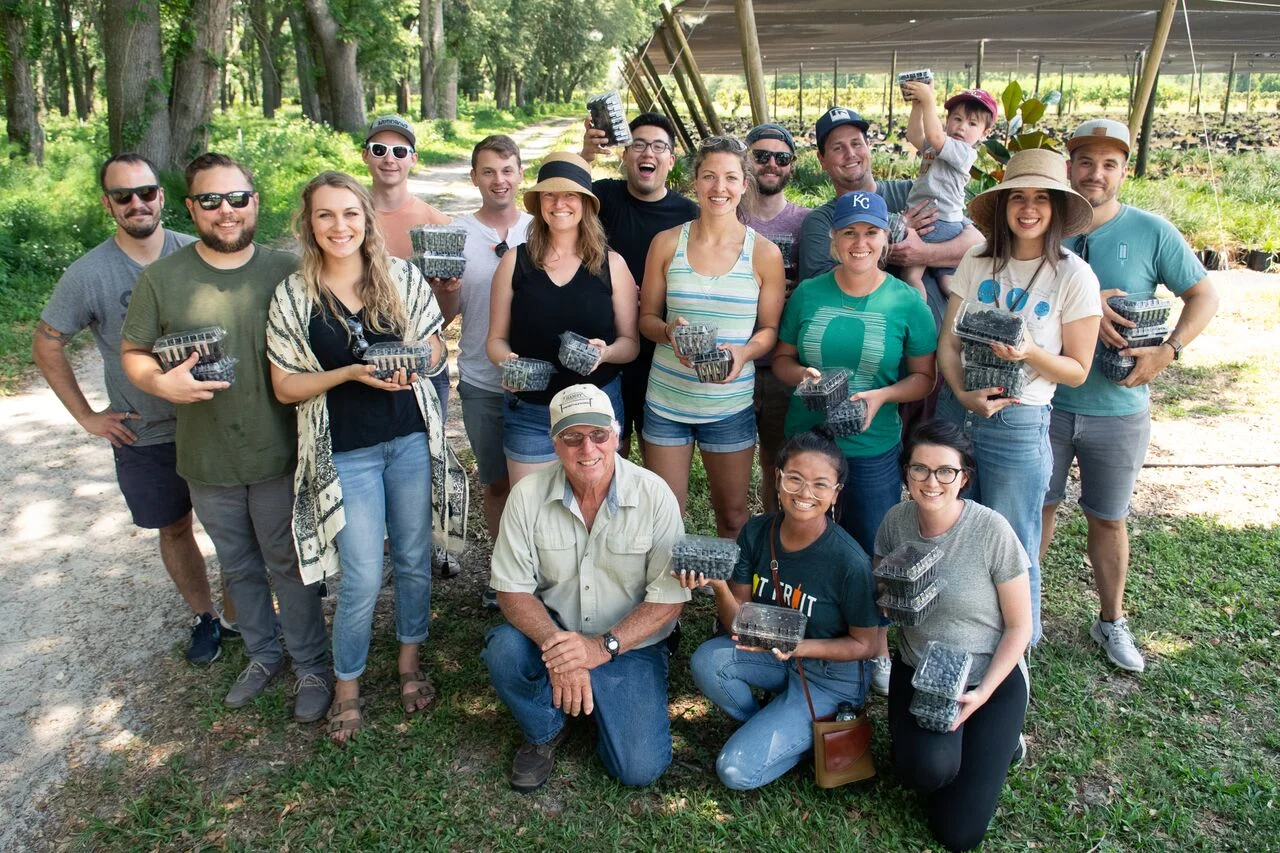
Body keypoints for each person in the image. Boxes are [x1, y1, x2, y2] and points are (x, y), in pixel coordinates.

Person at [121, 153, 333, 722]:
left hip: (281, 453)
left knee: (287, 563)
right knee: (238, 567)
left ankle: (312, 665)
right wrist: (160, 384)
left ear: (254, 202)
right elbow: (134, 352)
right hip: (206, 458)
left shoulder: (288, 269)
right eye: (211, 201)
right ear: (190, 208)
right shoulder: (162, 277)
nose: (226, 211)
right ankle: (264, 655)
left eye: (237, 198)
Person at [33, 153, 236, 666]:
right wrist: (86, 416)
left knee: (237, 525)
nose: (137, 203)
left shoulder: (199, 252)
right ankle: (205, 617)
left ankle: (241, 616)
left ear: (163, 197)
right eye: (123, 196)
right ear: (108, 204)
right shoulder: (89, 274)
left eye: (146, 192)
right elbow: (48, 342)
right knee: (173, 525)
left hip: (212, 420)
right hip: (145, 430)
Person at [266, 172, 448, 742]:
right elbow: (284, 387)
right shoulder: (295, 295)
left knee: (416, 559)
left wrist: (415, 360)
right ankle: (347, 685)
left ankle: (409, 663)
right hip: (346, 452)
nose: (339, 226)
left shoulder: (399, 277)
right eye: (325, 215)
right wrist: (348, 372)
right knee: (365, 573)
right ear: (308, 223)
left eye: (350, 213)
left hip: (410, 440)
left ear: (367, 219)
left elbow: (438, 346)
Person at [1040, 119, 1219, 673]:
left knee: (1109, 517)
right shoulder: (1042, 225)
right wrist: (1088, 296)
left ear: (1122, 170)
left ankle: (1111, 620)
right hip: (1043, 401)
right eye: (1085, 161)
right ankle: (1024, 614)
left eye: (1109, 163)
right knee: (1035, 510)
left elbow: (1203, 294)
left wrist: (1169, 351)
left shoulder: (1151, 231)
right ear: (1068, 166)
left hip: (1117, 407)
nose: (1096, 173)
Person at [481, 384, 689, 792]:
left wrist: (599, 649)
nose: (587, 448)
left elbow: (668, 600)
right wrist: (562, 651)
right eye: (572, 437)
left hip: (628, 642)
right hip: (555, 633)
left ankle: (596, 698)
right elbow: (512, 590)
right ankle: (546, 728)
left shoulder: (654, 495)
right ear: (555, 443)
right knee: (504, 651)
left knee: (638, 769)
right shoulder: (526, 496)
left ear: (616, 434)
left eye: (598, 434)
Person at [935, 148, 1102, 647]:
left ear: (1055, 209)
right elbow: (949, 341)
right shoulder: (977, 260)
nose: (1028, 209)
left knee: (1012, 541)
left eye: (1040, 199)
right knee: (952, 525)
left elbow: (1077, 370)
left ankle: (1017, 652)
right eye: (1018, 198)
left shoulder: (1073, 277)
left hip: (1019, 421)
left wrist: (1029, 351)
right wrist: (963, 396)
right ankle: (962, 631)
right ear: (1004, 205)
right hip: (959, 412)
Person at [773, 189, 938, 693]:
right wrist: (802, 374)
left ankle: (877, 648)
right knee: (799, 537)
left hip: (872, 447)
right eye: (849, 233)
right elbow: (780, 360)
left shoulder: (906, 300)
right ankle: (794, 634)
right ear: (834, 240)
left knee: (872, 548)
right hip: (807, 441)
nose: (859, 242)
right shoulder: (808, 294)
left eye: (870, 233)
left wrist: (878, 396)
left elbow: (924, 378)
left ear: (885, 240)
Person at [684, 427, 879, 791]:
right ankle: (769, 722)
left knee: (735, 772)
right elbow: (737, 624)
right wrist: (720, 587)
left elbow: (866, 646)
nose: (805, 493)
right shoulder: (756, 533)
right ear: (777, 479)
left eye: (820, 485)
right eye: (795, 479)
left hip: (828, 674)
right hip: (771, 654)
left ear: (836, 493)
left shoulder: (849, 562)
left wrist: (799, 648)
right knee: (708, 661)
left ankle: (797, 732)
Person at [878, 420, 1032, 853]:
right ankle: (960, 751)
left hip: (989, 675)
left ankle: (1002, 738)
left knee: (958, 836)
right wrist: (888, 600)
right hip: (921, 671)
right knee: (923, 774)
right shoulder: (895, 521)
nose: (931, 482)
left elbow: (1021, 626)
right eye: (920, 469)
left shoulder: (991, 530)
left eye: (946, 471)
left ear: (964, 476)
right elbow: (882, 586)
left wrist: (982, 694)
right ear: (905, 472)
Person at [639, 136, 785, 542]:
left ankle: (730, 603)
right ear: (695, 183)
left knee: (734, 516)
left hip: (730, 404)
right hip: (668, 400)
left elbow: (769, 330)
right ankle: (667, 603)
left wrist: (744, 352)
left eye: (730, 178)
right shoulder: (667, 243)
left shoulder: (763, 254)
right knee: (664, 517)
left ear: (744, 185)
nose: (719, 187)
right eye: (709, 176)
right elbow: (646, 319)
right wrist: (669, 332)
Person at [486, 152, 639, 486]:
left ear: (585, 203)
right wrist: (507, 363)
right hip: (530, 411)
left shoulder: (612, 265)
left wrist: (606, 353)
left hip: (595, 410)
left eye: (569, 194)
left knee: (595, 513)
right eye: (549, 195)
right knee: (531, 513)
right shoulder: (516, 261)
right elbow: (495, 340)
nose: (559, 203)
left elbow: (630, 344)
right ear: (539, 202)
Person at [436, 135, 532, 609]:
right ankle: (506, 577)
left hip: (539, 381)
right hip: (481, 378)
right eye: (488, 171)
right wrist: (446, 290)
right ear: (474, 177)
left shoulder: (541, 229)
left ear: (520, 174)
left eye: (508, 170)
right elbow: (443, 315)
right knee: (497, 481)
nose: (499, 180)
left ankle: (546, 575)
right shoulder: (456, 234)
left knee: (540, 486)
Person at [797, 105, 984, 327]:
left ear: (869, 146)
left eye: (857, 143)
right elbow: (821, 289)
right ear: (822, 159)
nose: (851, 154)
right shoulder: (821, 221)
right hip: (875, 349)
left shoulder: (914, 192)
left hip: (942, 342)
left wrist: (923, 253)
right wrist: (889, 240)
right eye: (838, 148)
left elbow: (976, 242)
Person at [582, 112, 699, 456]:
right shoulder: (603, 197)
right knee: (610, 448)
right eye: (639, 145)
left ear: (671, 160)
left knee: (658, 448)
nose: (648, 153)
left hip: (661, 349)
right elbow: (564, 195)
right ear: (624, 154)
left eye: (659, 146)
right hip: (607, 344)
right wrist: (586, 155)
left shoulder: (689, 214)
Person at [361, 114, 453, 417]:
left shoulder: (436, 224)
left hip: (421, 360)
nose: (389, 159)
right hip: (361, 358)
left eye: (399, 152)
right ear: (365, 155)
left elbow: (446, 317)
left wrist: (447, 290)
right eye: (379, 150)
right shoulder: (347, 220)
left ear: (412, 159)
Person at [742, 123, 810, 513]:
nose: (771, 164)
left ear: (791, 166)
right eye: (761, 155)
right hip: (734, 355)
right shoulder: (725, 215)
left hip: (782, 361)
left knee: (777, 460)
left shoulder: (807, 223)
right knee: (728, 455)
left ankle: (772, 534)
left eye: (781, 158)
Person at [901, 85, 998, 298]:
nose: (961, 127)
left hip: (935, 221)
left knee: (911, 276)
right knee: (948, 282)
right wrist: (917, 107)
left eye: (972, 123)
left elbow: (935, 136)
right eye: (957, 119)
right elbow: (914, 134)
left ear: (985, 133)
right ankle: (964, 318)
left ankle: (920, 320)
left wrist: (928, 101)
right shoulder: (941, 146)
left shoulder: (963, 152)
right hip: (946, 221)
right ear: (948, 120)